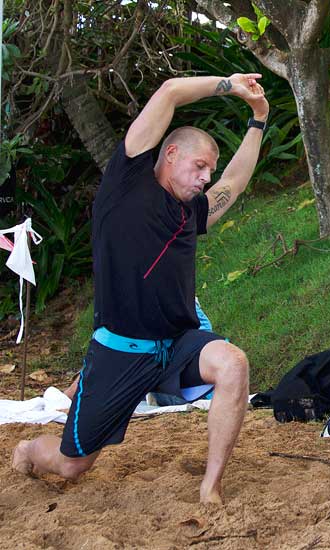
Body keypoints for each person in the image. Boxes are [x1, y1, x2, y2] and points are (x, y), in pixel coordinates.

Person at [12, 73, 269, 505]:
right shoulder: (127, 182)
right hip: (120, 352)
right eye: (199, 166)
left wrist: (258, 120)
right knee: (72, 465)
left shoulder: (190, 212)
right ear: (170, 154)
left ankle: (211, 487)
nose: (207, 177)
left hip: (176, 344)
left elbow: (235, 184)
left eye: (209, 169)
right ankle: (27, 450)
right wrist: (229, 85)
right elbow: (169, 91)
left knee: (233, 364)